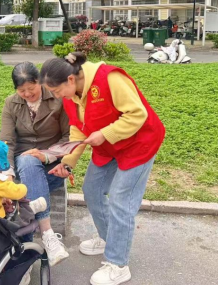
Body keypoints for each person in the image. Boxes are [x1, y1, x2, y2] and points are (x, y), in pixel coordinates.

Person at [40, 52, 165, 285]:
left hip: (139, 144)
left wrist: (105, 133)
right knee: (92, 191)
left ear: (70, 79)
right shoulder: (70, 96)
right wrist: (67, 162)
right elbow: (78, 130)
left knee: (120, 200)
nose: (56, 96)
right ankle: (110, 239)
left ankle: (118, 264)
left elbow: (137, 114)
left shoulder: (110, 78)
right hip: (109, 148)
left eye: (56, 91)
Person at [0, 62, 70, 266]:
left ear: (40, 81)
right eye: (22, 91)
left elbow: (68, 136)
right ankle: (47, 233)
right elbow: (7, 142)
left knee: (26, 186)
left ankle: (24, 255)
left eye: (32, 88)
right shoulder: (11, 103)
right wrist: (8, 173)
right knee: (27, 161)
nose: (28, 94)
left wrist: (46, 155)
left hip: (51, 165)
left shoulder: (58, 99)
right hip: (22, 161)